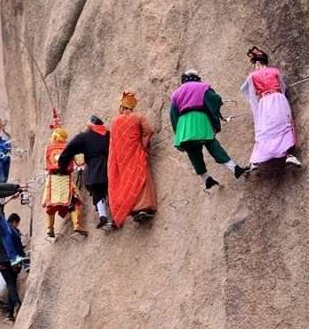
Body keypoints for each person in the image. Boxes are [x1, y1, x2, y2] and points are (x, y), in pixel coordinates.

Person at [170, 70, 246, 189]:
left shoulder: (175, 94)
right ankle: (234, 168)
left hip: (184, 125)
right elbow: (214, 99)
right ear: (196, 77)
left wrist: (178, 133)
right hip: (200, 119)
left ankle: (206, 179)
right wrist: (218, 104)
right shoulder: (202, 87)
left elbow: (173, 114)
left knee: (192, 151)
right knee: (212, 144)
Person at [240, 47, 301, 172]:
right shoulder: (275, 71)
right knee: (284, 125)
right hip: (279, 99)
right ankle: (288, 154)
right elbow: (282, 86)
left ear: (257, 63)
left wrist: (257, 95)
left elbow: (244, 90)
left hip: (264, 102)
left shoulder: (252, 76)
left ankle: (255, 160)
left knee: (265, 128)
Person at [108, 91, 158, 228]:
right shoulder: (138, 117)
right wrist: (143, 143)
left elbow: (113, 141)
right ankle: (144, 206)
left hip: (121, 157)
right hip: (135, 152)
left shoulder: (114, 121)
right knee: (141, 178)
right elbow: (150, 130)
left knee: (128, 181)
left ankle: (133, 209)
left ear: (122, 106)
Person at [58, 115, 111, 230]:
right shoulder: (108, 135)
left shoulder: (85, 137)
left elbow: (69, 150)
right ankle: (108, 215)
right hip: (110, 167)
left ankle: (103, 216)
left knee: (97, 190)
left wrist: (62, 166)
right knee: (106, 190)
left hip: (94, 170)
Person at [43, 122, 86, 241]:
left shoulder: (48, 148)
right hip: (66, 178)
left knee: (50, 205)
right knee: (74, 201)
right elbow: (80, 160)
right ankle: (77, 226)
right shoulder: (69, 146)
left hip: (53, 179)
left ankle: (50, 229)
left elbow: (46, 166)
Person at [0, 213, 26, 325]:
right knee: (12, 284)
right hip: (12, 260)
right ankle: (15, 305)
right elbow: (17, 246)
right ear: (14, 221)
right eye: (17, 223)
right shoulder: (13, 231)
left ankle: (11, 314)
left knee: (10, 284)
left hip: (0, 261)